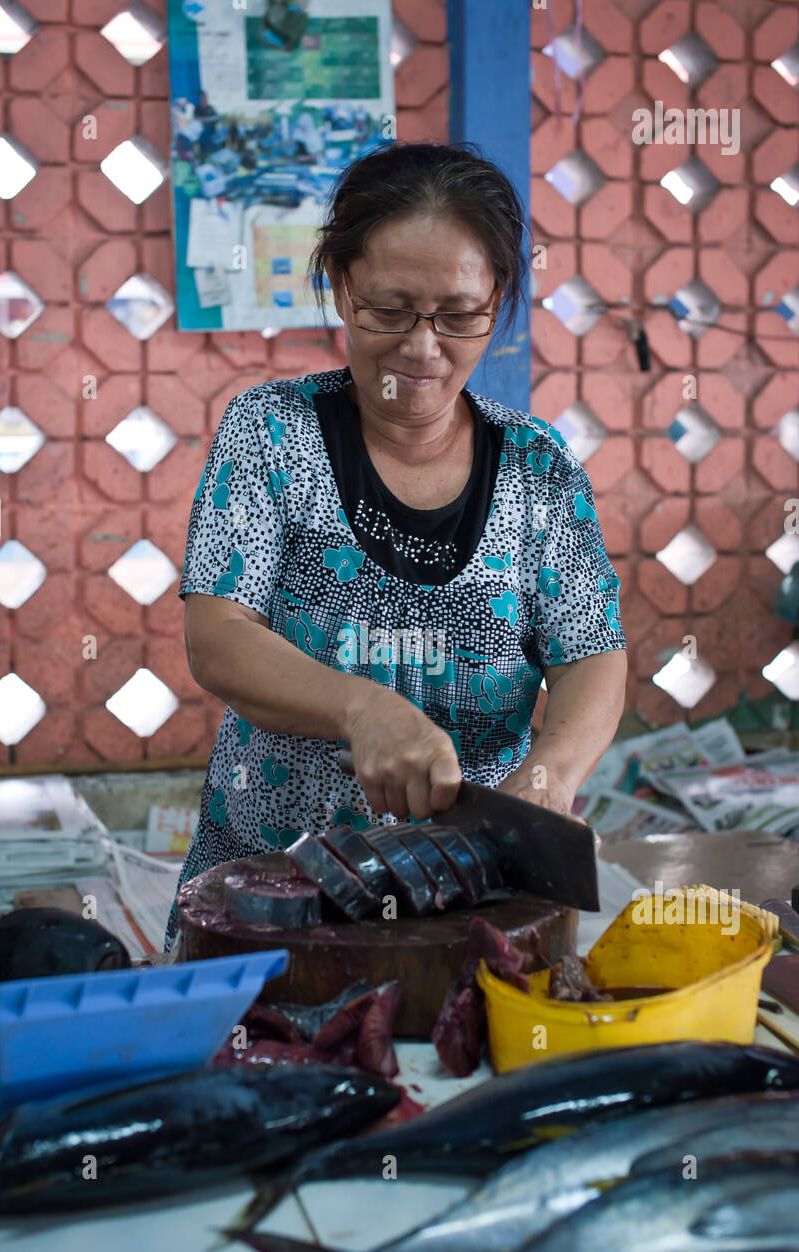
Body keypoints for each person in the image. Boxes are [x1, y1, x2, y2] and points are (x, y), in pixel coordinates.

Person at [166, 141, 627, 950]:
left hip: (471, 899)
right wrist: (362, 708)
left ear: (500, 301)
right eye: (390, 308)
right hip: (273, 899)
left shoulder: (537, 464)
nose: (422, 348)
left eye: (459, 314)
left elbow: (592, 655)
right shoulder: (271, 434)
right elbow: (218, 638)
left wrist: (550, 777)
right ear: (343, 288)